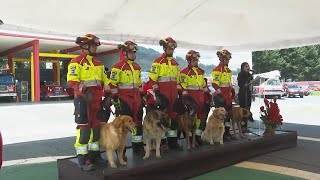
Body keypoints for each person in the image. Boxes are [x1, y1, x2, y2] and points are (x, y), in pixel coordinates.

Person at [67, 34, 110, 170]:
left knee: (96, 130)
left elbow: (106, 81)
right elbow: (72, 81)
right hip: (83, 101)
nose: (95, 48)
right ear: (85, 46)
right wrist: (85, 91)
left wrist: (108, 95)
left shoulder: (99, 64)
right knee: (84, 131)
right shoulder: (76, 61)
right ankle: (83, 159)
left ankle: (94, 155)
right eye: (93, 46)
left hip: (97, 101)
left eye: (95, 46)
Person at [107, 40, 145, 156]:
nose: (134, 55)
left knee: (137, 124)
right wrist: (115, 99)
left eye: (134, 53)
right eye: (131, 53)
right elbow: (112, 84)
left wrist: (142, 97)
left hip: (136, 100)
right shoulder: (118, 67)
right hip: (124, 100)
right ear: (125, 53)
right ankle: (121, 151)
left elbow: (139, 84)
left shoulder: (137, 67)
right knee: (122, 127)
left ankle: (137, 147)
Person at [148, 37, 183, 151]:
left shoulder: (175, 64)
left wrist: (180, 95)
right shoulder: (157, 62)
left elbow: (177, 81)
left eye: (172, 49)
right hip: (162, 95)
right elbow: (152, 79)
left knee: (173, 117)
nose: (171, 50)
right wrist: (157, 93)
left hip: (173, 95)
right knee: (162, 118)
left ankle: (173, 141)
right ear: (164, 48)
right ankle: (162, 142)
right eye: (169, 48)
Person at [180, 50, 209, 145]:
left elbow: (204, 85)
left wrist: (208, 94)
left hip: (201, 97)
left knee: (201, 118)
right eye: (194, 60)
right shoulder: (184, 72)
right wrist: (186, 100)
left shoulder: (200, 72)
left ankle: (197, 136)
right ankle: (191, 139)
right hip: (191, 99)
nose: (196, 62)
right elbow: (183, 86)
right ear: (188, 61)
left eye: (197, 60)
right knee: (190, 119)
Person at [211, 49, 236, 141]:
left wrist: (232, 90)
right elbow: (214, 84)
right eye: (226, 59)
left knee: (228, 116)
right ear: (221, 59)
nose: (228, 61)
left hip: (228, 96)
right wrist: (220, 92)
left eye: (228, 59)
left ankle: (226, 133)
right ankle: (219, 135)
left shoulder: (228, 70)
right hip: (221, 97)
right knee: (221, 117)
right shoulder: (217, 69)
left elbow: (229, 83)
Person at [237, 62, 254, 132]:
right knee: (243, 111)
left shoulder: (250, 75)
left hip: (248, 94)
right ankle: (242, 127)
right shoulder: (240, 74)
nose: (248, 67)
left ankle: (245, 127)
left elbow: (251, 84)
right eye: (246, 66)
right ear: (243, 68)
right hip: (243, 94)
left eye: (248, 66)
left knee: (248, 110)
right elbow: (241, 84)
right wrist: (247, 83)